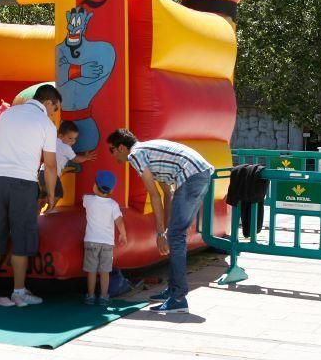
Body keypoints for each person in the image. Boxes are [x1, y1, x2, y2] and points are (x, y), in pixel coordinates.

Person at [106, 129, 214, 314]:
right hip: (198, 174)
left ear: (122, 147)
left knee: (176, 236)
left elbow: (154, 195)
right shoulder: (148, 154)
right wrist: (164, 232)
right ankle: (173, 290)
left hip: (192, 176)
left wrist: (159, 234)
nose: (113, 155)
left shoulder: (135, 155)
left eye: (112, 150)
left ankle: (178, 297)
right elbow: (167, 193)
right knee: (175, 234)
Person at [0, 84, 61, 307]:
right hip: (24, 182)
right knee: (22, 236)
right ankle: (19, 291)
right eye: (55, 108)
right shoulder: (46, 123)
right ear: (48, 102)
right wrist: (51, 195)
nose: (54, 113)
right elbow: (51, 165)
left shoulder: (6, 115)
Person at [82, 170, 127, 306]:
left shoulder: (88, 200)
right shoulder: (113, 204)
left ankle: (90, 296)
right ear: (112, 190)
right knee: (105, 271)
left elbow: (83, 197)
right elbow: (119, 221)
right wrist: (123, 234)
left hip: (91, 241)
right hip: (107, 243)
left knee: (91, 271)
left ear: (95, 186)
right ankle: (103, 296)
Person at [39, 120, 97, 214]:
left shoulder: (52, 140)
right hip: (52, 176)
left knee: (42, 196)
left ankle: (37, 212)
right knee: (58, 194)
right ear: (60, 136)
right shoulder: (66, 148)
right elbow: (75, 159)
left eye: (75, 139)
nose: (73, 141)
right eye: (70, 138)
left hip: (41, 173)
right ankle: (48, 212)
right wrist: (86, 157)